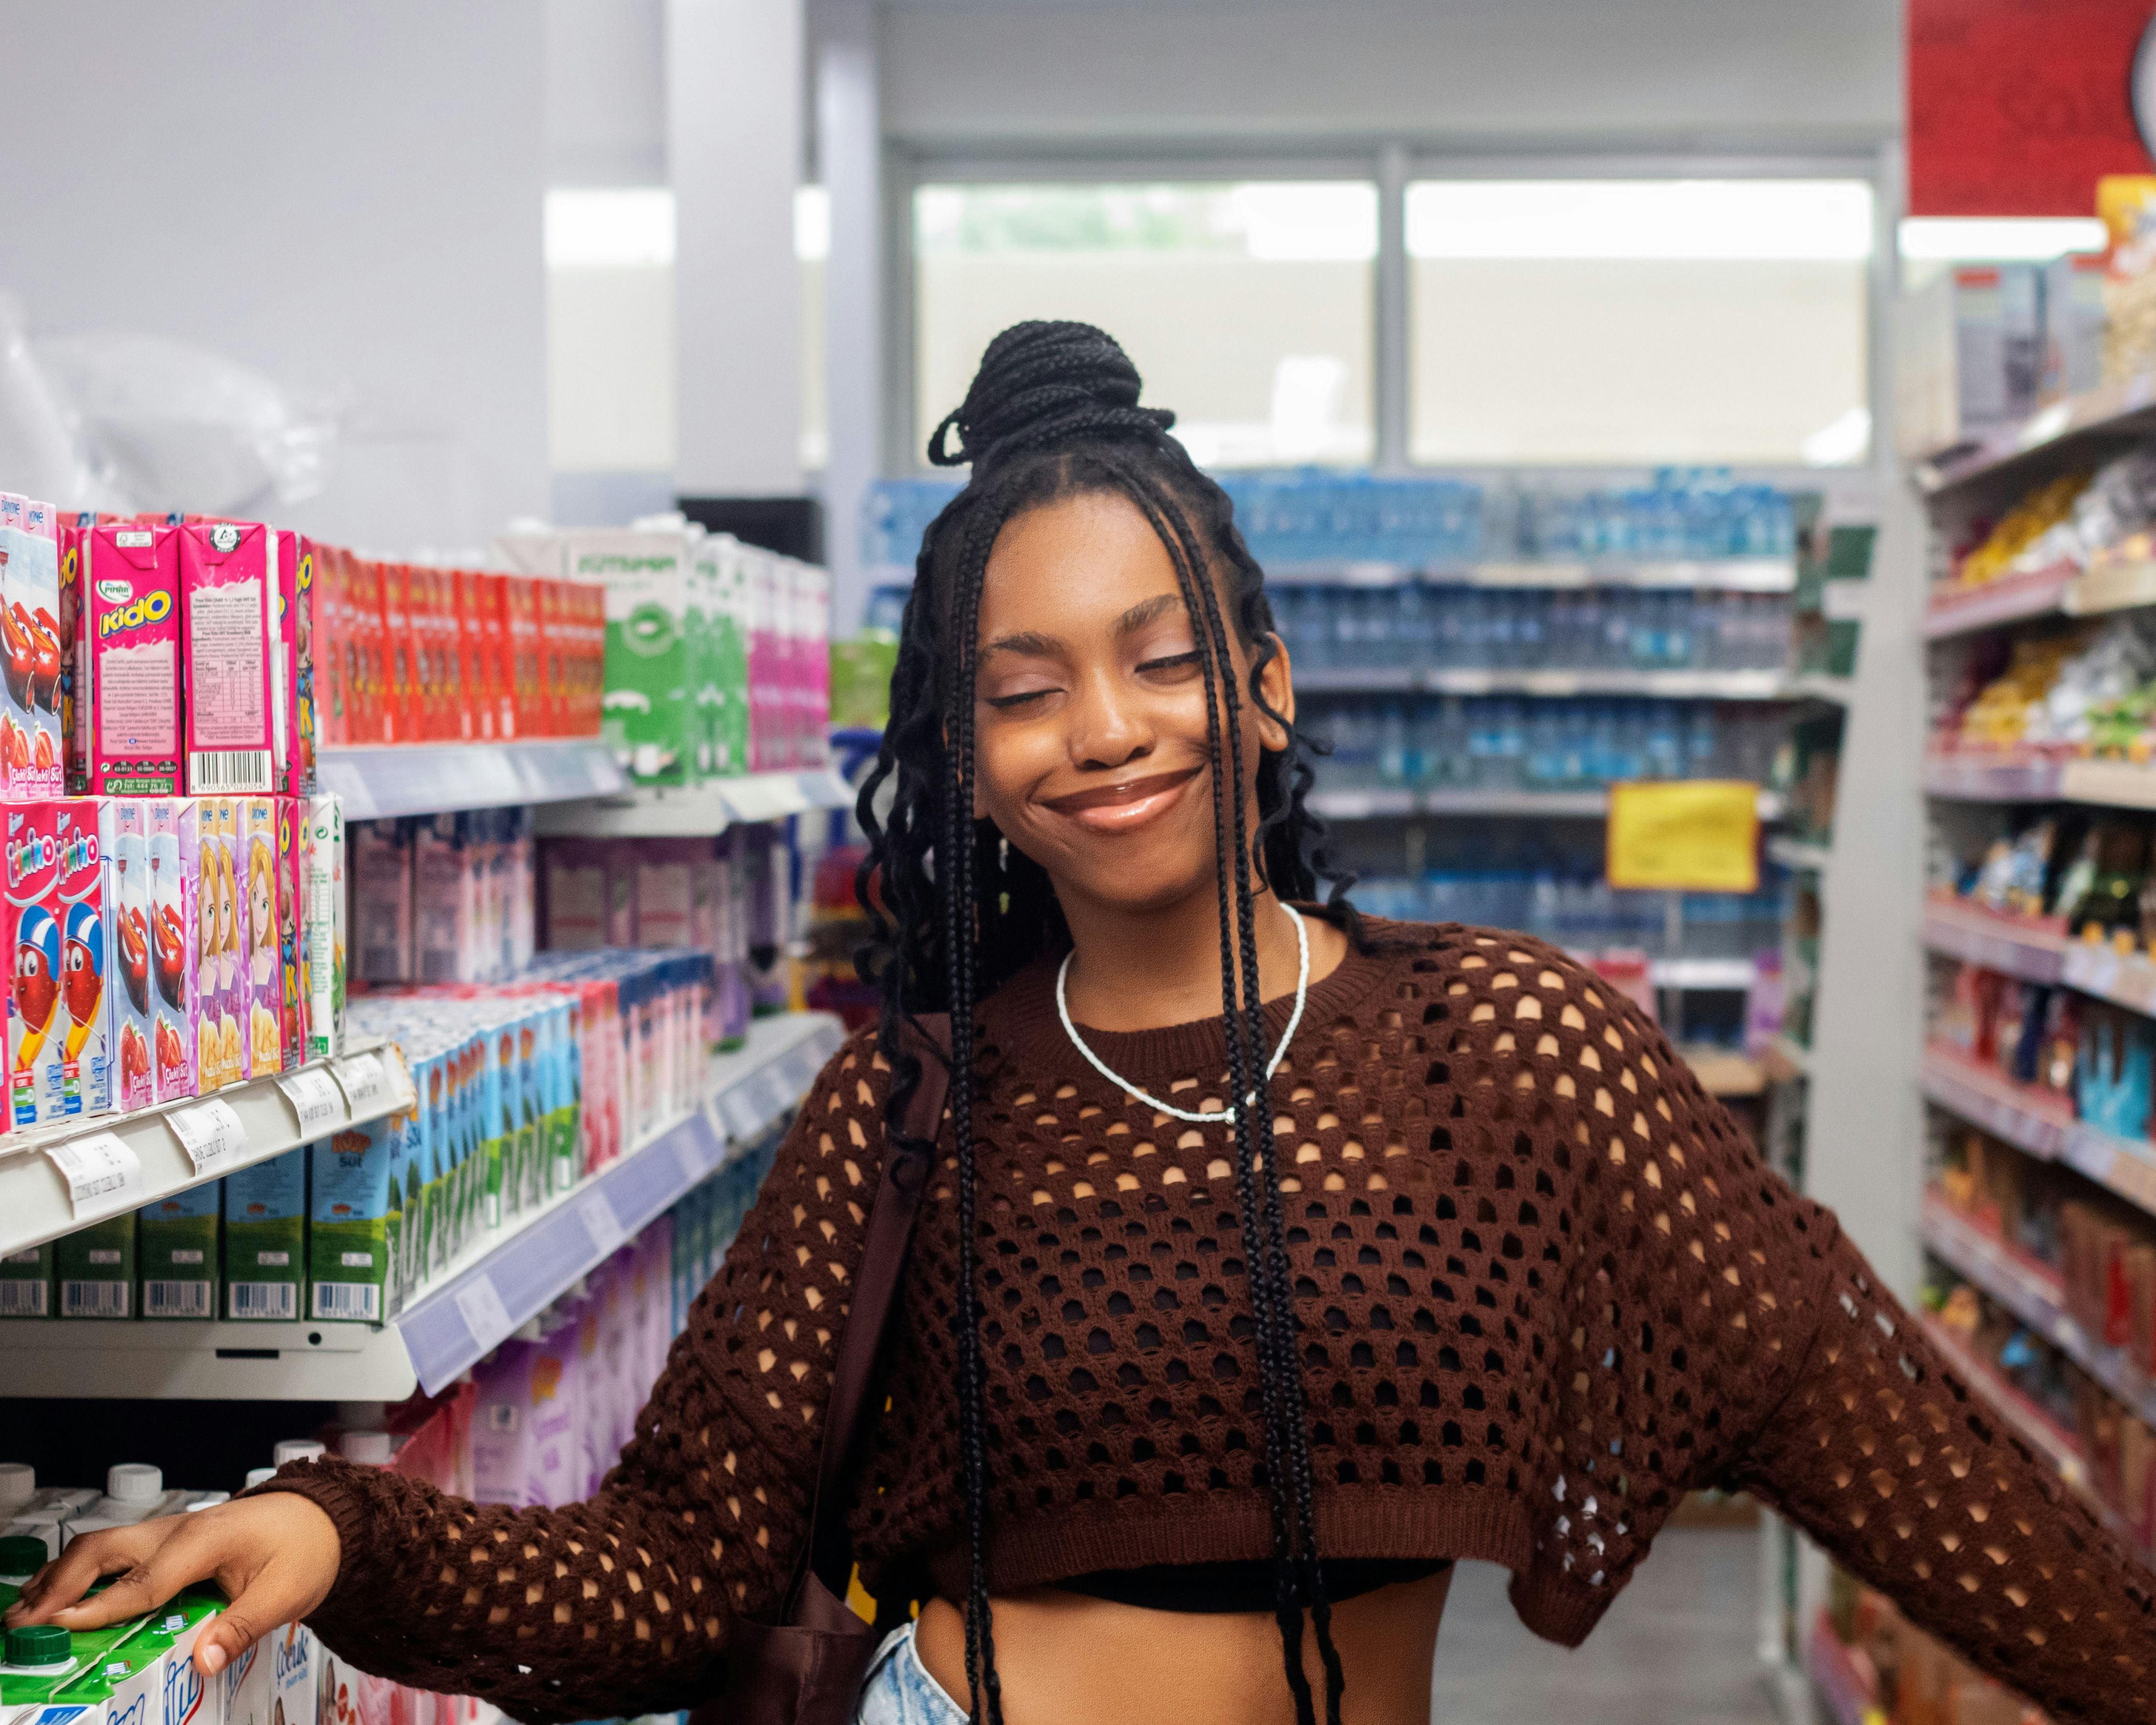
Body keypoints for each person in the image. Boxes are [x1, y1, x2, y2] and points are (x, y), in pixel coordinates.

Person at [11, 322, 2155, 1725]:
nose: (1102, 731)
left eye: (1154, 657)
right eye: (1023, 688)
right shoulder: (913, 1112)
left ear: (1264, 683)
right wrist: (336, 1528)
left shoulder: (1501, 1050)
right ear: (958, 757)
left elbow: (1869, 1424)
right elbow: (679, 1556)